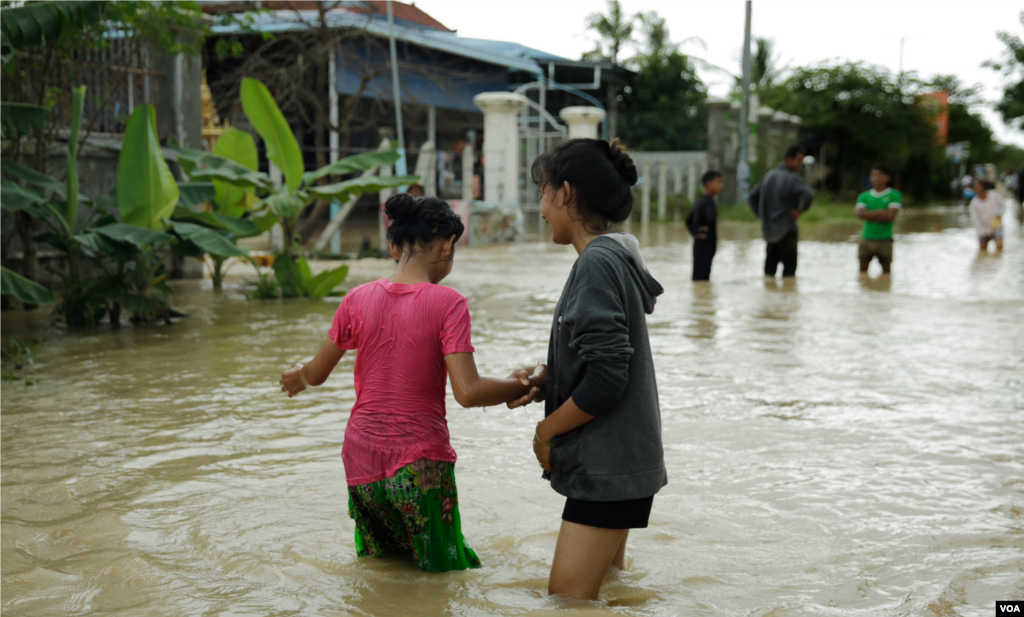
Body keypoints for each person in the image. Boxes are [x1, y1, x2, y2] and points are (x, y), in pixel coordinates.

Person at [279, 194, 544, 572]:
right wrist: (524, 385)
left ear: (392, 247)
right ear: (447, 245)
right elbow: (468, 392)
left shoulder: (356, 298)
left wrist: (298, 375)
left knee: (384, 571)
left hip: (360, 460)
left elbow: (316, 374)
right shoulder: (448, 303)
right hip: (417, 461)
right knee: (442, 575)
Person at [507, 138, 667, 601]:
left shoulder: (595, 263)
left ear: (566, 194)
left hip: (608, 469)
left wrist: (545, 433)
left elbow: (608, 378)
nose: (540, 207)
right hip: (626, 463)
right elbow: (604, 356)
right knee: (611, 592)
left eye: (543, 192)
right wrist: (547, 375)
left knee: (567, 601)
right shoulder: (617, 254)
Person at [748, 145, 815, 277]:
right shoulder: (792, 178)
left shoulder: (768, 176)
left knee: (769, 273)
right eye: (799, 160)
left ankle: (771, 298)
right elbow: (809, 194)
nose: (800, 164)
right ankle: (787, 297)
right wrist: (801, 210)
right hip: (786, 230)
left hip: (769, 231)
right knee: (789, 273)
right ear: (789, 159)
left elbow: (751, 197)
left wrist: (762, 215)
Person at [855, 163, 902, 274]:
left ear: (887, 177)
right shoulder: (864, 196)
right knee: (862, 273)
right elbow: (860, 215)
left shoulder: (894, 195)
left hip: (885, 240)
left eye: (879, 175)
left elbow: (890, 216)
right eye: (873, 175)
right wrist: (881, 212)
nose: (875, 178)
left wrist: (869, 214)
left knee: (886, 274)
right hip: (866, 239)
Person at [685, 169, 723, 281]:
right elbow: (710, 219)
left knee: (698, 279)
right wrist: (703, 233)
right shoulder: (708, 201)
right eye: (719, 182)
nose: (721, 186)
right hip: (706, 247)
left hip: (699, 245)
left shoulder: (700, 200)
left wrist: (696, 234)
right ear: (708, 184)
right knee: (702, 279)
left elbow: (688, 221)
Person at [969, 179, 1005, 251]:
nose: (978, 189)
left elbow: (1003, 205)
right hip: (983, 228)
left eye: (979, 187)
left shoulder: (995, 195)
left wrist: (999, 214)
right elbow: (975, 220)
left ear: (983, 187)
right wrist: (984, 233)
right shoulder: (973, 203)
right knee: (983, 249)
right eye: (975, 188)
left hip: (996, 226)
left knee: (999, 248)